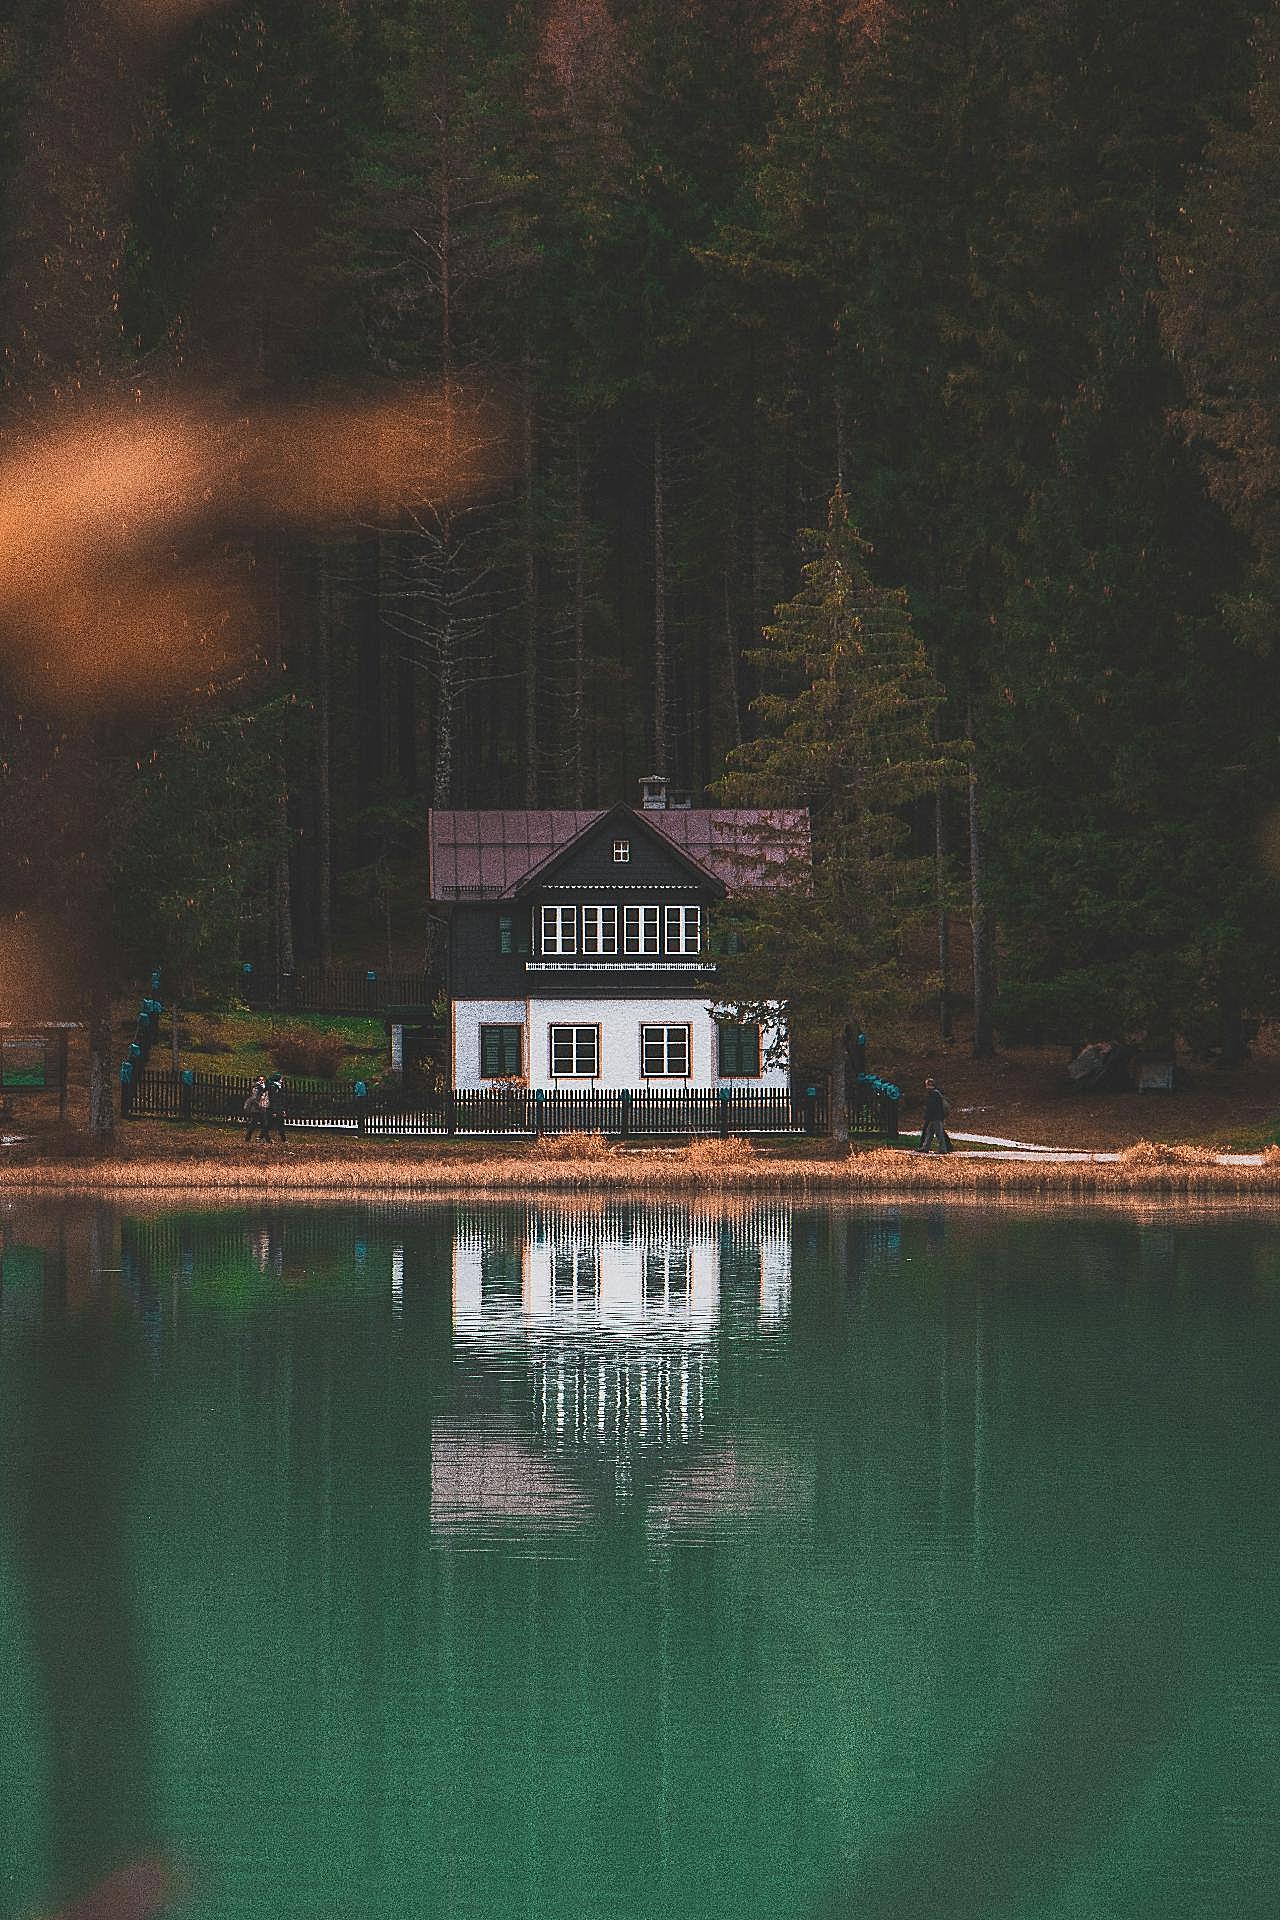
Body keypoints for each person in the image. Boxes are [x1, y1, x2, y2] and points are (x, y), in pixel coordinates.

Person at [918, 1076, 951, 1154]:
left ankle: (942, 1149)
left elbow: (931, 1107)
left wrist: (927, 1116)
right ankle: (925, 1147)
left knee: (939, 1134)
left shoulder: (933, 1094)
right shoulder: (935, 1093)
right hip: (935, 1117)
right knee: (929, 1133)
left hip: (935, 1118)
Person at [243, 1074, 269, 1145]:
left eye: (263, 1080)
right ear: (257, 1081)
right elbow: (254, 1098)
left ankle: (265, 1139)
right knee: (254, 1124)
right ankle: (247, 1138)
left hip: (262, 1108)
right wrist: (259, 1105)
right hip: (256, 1109)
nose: (261, 1081)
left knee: (265, 1124)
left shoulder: (264, 1088)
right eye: (260, 1080)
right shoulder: (256, 1088)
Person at [265, 1071, 288, 1144]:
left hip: (279, 1109)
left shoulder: (278, 1087)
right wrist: (274, 1111)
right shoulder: (274, 1087)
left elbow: (280, 1100)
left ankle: (284, 1139)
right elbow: (273, 1099)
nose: (282, 1081)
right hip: (275, 1109)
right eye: (280, 1079)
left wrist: (283, 1109)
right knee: (272, 1124)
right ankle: (283, 1139)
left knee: (277, 1124)